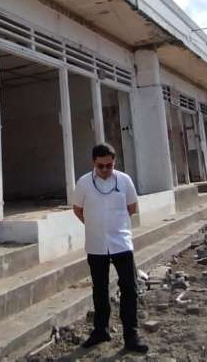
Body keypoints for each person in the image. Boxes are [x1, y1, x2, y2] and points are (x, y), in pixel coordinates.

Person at [72, 143, 148, 354]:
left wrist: (116, 225)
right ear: (93, 163)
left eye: (109, 165)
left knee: (130, 289)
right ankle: (100, 331)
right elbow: (78, 209)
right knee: (100, 289)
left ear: (115, 162)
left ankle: (131, 336)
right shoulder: (84, 183)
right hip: (96, 244)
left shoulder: (124, 181)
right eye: (100, 166)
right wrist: (95, 225)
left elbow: (131, 207)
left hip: (121, 243)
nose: (105, 170)